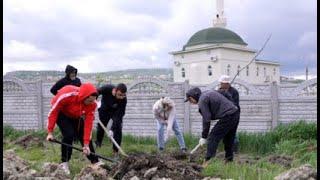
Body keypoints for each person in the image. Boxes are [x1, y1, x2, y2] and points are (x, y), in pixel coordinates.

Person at [46, 83, 103, 175]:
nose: (91, 103)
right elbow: (53, 112)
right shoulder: (67, 95)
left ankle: (95, 161)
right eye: (89, 101)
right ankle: (64, 163)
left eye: (93, 101)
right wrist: (50, 132)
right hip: (61, 112)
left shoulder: (92, 104)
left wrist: (86, 144)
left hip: (76, 114)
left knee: (83, 134)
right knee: (69, 134)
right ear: (83, 97)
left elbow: (88, 124)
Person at [185, 87, 239, 166]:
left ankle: (207, 162)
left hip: (228, 116)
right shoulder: (208, 93)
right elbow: (224, 92)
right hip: (235, 113)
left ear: (193, 96)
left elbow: (206, 119)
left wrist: (204, 136)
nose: (191, 102)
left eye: (190, 100)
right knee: (229, 138)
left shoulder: (202, 100)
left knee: (212, 138)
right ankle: (229, 160)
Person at [95, 83, 127, 158]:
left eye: (123, 95)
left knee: (118, 128)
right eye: (119, 95)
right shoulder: (107, 88)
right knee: (101, 127)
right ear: (115, 91)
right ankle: (98, 143)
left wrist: (112, 129)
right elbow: (96, 91)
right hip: (104, 109)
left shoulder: (123, 99)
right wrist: (94, 100)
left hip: (116, 112)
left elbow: (120, 115)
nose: (121, 97)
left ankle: (115, 151)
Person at [217, 75, 241, 154]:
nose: (220, 84)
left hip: (233, 116)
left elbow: (235, 105)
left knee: (233, 134)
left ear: (226, 83)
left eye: (222, 83)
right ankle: (227, 150)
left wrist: (228, 96)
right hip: (223, 115)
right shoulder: (219, 91)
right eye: (220, 83)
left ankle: (234, 150)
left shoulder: (234, 92)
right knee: (225, 134)